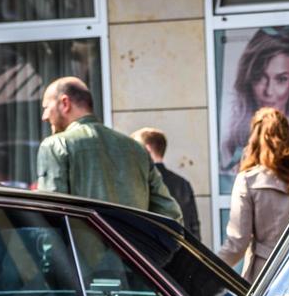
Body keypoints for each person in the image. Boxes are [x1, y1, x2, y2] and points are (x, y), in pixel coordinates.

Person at [34, 77, 181, 222]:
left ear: (65, 103)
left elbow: (51, 216)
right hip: (130, 246)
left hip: (79, 247)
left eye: (46, 107)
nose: (44, 117)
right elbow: (170, 215)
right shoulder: (137, 149)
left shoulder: (55, 145)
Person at [218, 108, 289, 281]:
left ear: (255, 139)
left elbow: (237, 244)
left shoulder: (248, 180)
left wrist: (209, 269)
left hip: (265, 276)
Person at [222, 29, 289, 173]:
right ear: (249, 79)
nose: (269, 91)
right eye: (260, 77)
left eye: (281, 79)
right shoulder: (230, 144)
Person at [132, 127, 200, 238]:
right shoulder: (183, 183)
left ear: (147, 150)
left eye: (135, 148)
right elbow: (194, 227)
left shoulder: (140, 182)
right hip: (183, 250)